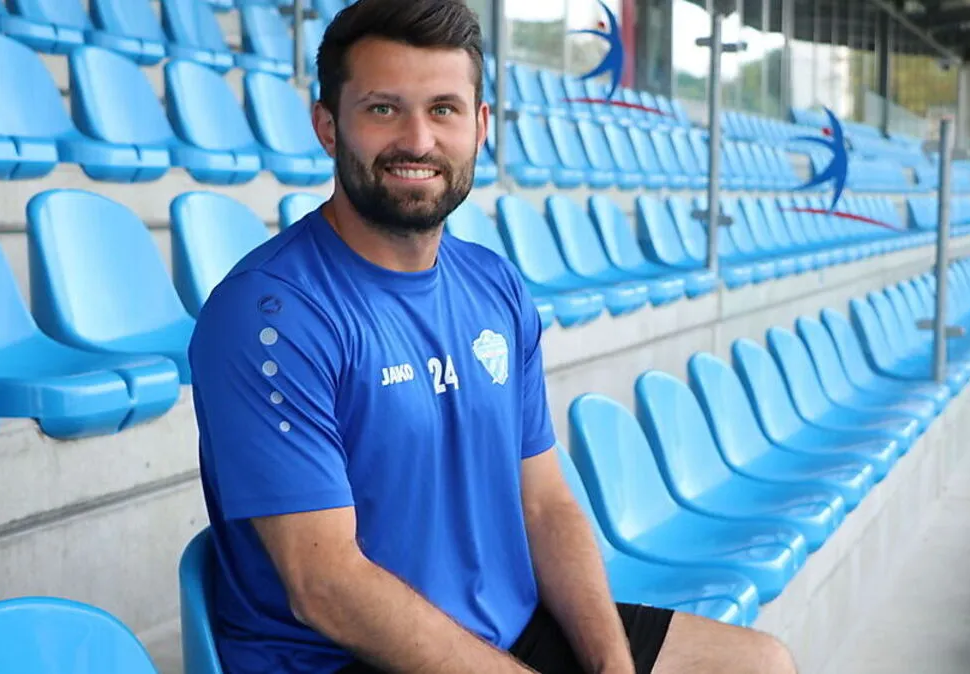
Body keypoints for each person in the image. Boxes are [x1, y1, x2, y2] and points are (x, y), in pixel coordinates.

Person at [188, 1, 798, 672]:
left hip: (504, 630)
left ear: (480, 127)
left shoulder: (495, 286)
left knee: (760, 663)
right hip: (347, 659)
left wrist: (612, 665)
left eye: (443, 109)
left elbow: (545, 503)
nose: (418, 141)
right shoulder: (270, 316)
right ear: (328, 126)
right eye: (383, 109)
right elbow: (328, 587)